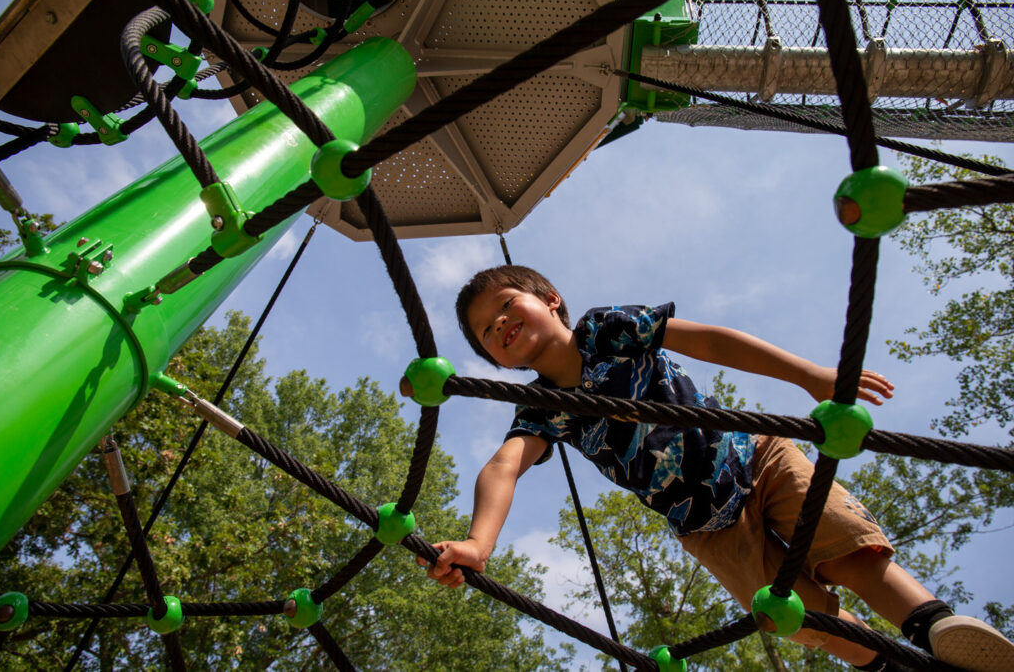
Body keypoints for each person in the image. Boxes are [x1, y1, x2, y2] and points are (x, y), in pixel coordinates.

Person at [417, 264, 1014, 672]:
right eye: (485, 331)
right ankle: (886, 664)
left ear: (550, 300)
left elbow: (710, 341)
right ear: (496, 355)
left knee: (842, 544)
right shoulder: (542, 408)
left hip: (754, 456)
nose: (499, 324)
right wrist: (478, 542)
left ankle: (932, 624)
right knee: (802, 618)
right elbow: (503, 466)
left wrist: (810, 376)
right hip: (707, 528)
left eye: (505, 305)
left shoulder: (606, 330)